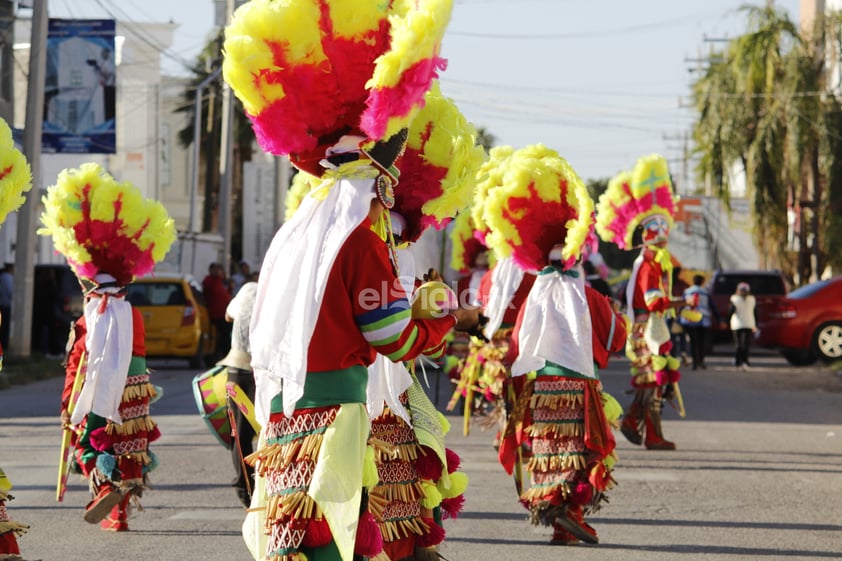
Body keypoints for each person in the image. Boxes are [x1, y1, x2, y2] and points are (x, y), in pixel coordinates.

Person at [223, 2, 457, 558]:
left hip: (285, 420)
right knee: (336, 543)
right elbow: (391, 337)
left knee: (298, 541)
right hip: (336, 418)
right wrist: (440, 319)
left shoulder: (298, 233)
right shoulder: (361, 239)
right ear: (382, 172)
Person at [482, 144, 617, 546]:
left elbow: (518, 343)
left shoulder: (535, 294)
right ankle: (568, 517)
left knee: (548, 453)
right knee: (583, 453)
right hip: (579, 388)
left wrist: (506, 376)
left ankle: (557, 514)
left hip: (541, 390)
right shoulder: (588, 297)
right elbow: (613, 335)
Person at [41, 162, 176, 531]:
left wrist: (67, 406)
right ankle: (120, 509)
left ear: (88, 285)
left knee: (91, 442)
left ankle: (106, 496)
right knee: (129, 447)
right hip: (133, 397)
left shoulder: (90, 318)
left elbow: (77, 365)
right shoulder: (131, 315)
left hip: (98, 393)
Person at [595, 154, 684, 451]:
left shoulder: (654, 263)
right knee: (653, 381)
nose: (663, 239)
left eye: (664, 232)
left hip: (652, 328)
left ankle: (641, 425)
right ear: (648, 237)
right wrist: (679, 303)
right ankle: (642, 426)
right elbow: (653, 301)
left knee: (654, 382)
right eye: (657, 234)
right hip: (647, 329)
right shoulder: (648, 265)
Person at [218, 273, 258, 508]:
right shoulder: (270, 292)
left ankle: (244, 486)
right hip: (260, 370)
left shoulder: (245, 292)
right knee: (265, 428)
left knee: (240, 433)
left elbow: (227, 316)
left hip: (235, 370)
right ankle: (262, 485)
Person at [681, 274, 719, 370]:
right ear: (702, 282)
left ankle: (695, 362)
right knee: (702, 342)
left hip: (689, 320)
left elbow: (681, 305)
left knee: (693, 342)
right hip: (703, 320)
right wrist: (719, 319)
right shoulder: (705, 292)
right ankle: (701, 361)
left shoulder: (687, 292)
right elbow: (713, 307)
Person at [202, 262, 231, 361]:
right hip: (217, 315)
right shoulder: (209, 280)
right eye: (215, 269)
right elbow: (214, 290)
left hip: (224, 314)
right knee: (224, 335)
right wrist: (218, 277)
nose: (218, 272)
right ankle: (222, 354)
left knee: (226, 335)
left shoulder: (220, 282)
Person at [729, 282, 757, 370]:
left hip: (737, 324)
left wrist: (725, 321)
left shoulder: (734, 299)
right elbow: (756, 313)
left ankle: (738, 361)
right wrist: (755, 324)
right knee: (745, 344)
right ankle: (744, 361)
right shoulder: (752, 299)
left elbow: (730, 312)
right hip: (748, 323)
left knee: (739, 344)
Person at [669, 267, 690, 365]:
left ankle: (673, 355)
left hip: (668, 311)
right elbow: (686, 294)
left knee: (671, 335)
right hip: (680, 311)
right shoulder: (682, 284)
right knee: (682, 334)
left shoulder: (667, 283)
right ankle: (683, 352)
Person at [0, 263, 13, 351]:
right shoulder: (8, 278)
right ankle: (4, 344)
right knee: (5, 327)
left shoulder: (2, 277)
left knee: (2, 326)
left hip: (2, 304)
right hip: (7, 305)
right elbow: (11, 292)